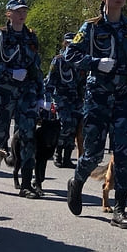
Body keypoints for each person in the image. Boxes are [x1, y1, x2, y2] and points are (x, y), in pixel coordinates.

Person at [65, 0, 127, 229]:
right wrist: (94, 63)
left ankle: (120, 209)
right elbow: (70, 54)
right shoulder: (90, 28)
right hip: (98, 98)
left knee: (123, 154)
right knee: (93, 154)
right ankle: (77, 181)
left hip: (124, 98)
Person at [0, 0, 46, 197]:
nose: (22, 14)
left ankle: (26, 183)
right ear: (8, 13)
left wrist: (40, 94)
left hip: (26, 93)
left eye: (24, 11)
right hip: (4, 91)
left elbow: (36, 67)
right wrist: (8, 72)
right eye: (17, 11)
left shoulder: (31, 37)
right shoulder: (0, 35)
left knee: (28, 136)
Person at [45, 34, 83, 169]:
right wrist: (47, 100)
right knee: (65, 124)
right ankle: (58, 153)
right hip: (61, 98)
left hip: (75, 99)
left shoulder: (79, 60)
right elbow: (50, 80)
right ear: (64, 44)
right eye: (69, 43)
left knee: (74, 127)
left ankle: (67, 157)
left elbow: (82, 82)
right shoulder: (58, 61)